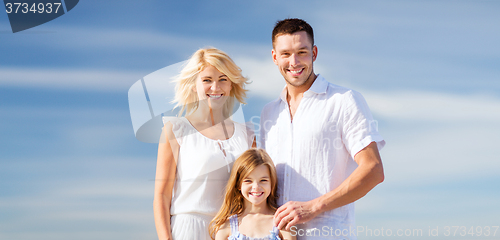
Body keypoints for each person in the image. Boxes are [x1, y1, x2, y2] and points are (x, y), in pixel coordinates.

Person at [259, 18, 385, 239]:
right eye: (286, 54)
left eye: (302, 52)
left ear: (314, 53)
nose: (294, 61)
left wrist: (313, 207)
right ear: (274, 57)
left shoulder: (344, 100)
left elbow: (373, 169)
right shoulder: (269, 113)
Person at [154, 47, 254, 240]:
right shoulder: (176, 130)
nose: (215, 88)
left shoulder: (247, 135)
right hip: (189, 229)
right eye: (207, 80)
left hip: (234, 230)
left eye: (223, 79)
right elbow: (161, 196)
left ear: (231, 84)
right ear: (194, 84)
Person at [210, 148, 296, 240]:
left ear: (272, 183)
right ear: (238, 184)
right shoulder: (225, 226)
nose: (256, 187)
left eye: (263, 180)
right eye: (248, 180)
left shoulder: (283, 223)